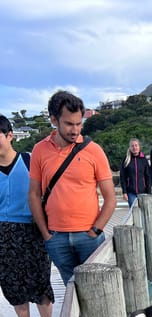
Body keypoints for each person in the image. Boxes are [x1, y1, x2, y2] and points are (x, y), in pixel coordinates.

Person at [29, 90, 116, 286]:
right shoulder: (39, 150)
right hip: (56, 238)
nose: (75, 130)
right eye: (69, 124)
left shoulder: (93, 150)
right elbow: (34, 194)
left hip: (89, 236)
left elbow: (110, 198)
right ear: (54, 120)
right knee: (71, 290)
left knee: (97, 289)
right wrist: (46, 234)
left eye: (79, 123)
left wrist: (96, 230)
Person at [0, 115, 54, 317]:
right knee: (13, 286)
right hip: (3, 233)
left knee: (40, 282)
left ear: (9, 135)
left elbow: (49, 192)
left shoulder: (29, 161)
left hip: (32, 230)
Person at [119, 138, 151, 208]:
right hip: (131, 192)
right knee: (134, 212)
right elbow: (122, 177)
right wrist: (124, 192)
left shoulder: (144, 159)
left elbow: (147, 176)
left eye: (136, 145)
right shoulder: (126, 160)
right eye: (132, 146)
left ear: (139, 147)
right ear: (130, 147)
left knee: (144, 212)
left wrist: (149, 192)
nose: (134, 147)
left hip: (143, 191)